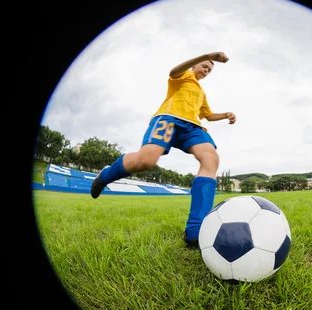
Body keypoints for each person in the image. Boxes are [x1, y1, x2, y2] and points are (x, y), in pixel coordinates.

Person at [90, 52, 236, 249]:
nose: (206, 71)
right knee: (146, 161)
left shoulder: (201, 93)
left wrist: (225, 114)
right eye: (204, 66)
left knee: (211, 159)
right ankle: (105, 175)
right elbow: (173, 71)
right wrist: (207, 55)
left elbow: (208, 116)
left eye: (209, 70)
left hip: (193, 128)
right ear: (194, 65)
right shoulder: (183, 76)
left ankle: (195, 229)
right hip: (169, 120)